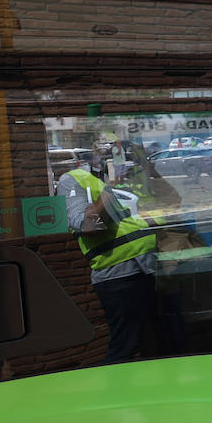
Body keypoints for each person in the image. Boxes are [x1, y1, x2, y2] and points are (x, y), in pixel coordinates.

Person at [57, 151, 175, 363]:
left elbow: (171, 203)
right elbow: (88, 225)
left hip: (149, 267)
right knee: (126, 346)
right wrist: (110, 188)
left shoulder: (126, 178)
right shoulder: (72, 180)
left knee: (164, 338)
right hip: (119, 274)